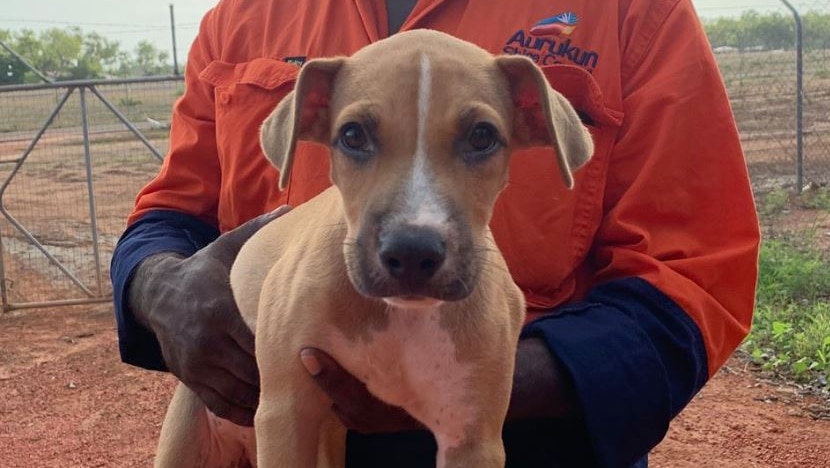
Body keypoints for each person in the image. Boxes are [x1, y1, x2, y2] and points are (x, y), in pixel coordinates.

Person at [111, 0, 760, 466]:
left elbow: (692, 281)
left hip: (531, 442)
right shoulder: (240, 16)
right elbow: (172, 212)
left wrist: (472, 382)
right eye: (357, 137)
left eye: (480, 137)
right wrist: (158, 286)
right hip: (266, 423)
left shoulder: (630, 13)